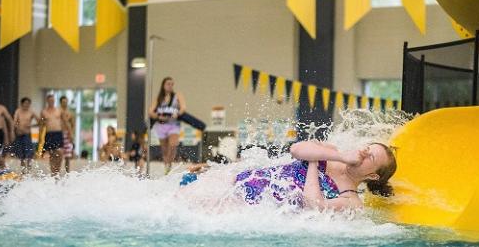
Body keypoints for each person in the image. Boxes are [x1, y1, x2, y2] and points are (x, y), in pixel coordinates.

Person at [182, 142, 397, 211]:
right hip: (237, 181)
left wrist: (313, 160)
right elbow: (296, 149)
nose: (363, 152)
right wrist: (340, 156)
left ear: (372, 176)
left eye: (370, 156)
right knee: (176, 202)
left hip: (246, 207)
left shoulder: (351, 200)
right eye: (367, 147)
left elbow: (314, 203)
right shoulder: (334, 152)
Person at [148, 77, 186, 175]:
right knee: (164, 149)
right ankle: (166, 167)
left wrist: (177, 113)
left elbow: (183, 108)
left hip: (173, 125)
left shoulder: (177, 96)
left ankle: (170, 164)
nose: (170, 86)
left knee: (173, 145)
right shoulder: (159, 98)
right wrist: (158, 116)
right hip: (161, 125)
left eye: (172, 84)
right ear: (163, 85)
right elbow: (151, 111)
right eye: (168, 84)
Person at [40, 94, 65, 177]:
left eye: (53, 100)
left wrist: (69, 133)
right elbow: (41, 125)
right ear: (47, 101)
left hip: (58, 133)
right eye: (50, 100)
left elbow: (65, 122)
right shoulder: (44, 112)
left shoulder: (59, 110)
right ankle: (53, 173)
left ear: (54, 101)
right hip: (49, 134)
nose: (52, 102)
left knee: (60, 153)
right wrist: (40, 138)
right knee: (52, 154)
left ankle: (57, 171)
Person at [13, 97, 38, 173]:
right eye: (25, 103)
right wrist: (18, 128)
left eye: (28, 103)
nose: (27, 105)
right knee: (21, 155)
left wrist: (32, 126)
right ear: (22, 104)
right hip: (20, 134)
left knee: (29, 155)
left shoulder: (31, 112)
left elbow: (40, 121)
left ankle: (29, 172)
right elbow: (15, 122)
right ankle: (23, 172)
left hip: (27, 135)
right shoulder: (18, 111)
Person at [59, 96, 75, 173]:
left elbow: (72, 125)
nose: (65, 103)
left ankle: (67, 173)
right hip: (59, 133)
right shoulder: (57, 112)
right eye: (63, 102)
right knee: (58, 154)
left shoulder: (70, 113)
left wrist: (71, 134)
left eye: (66, 102)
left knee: (67, 156)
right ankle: (56, 172)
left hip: (67, 134)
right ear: (60, 102)